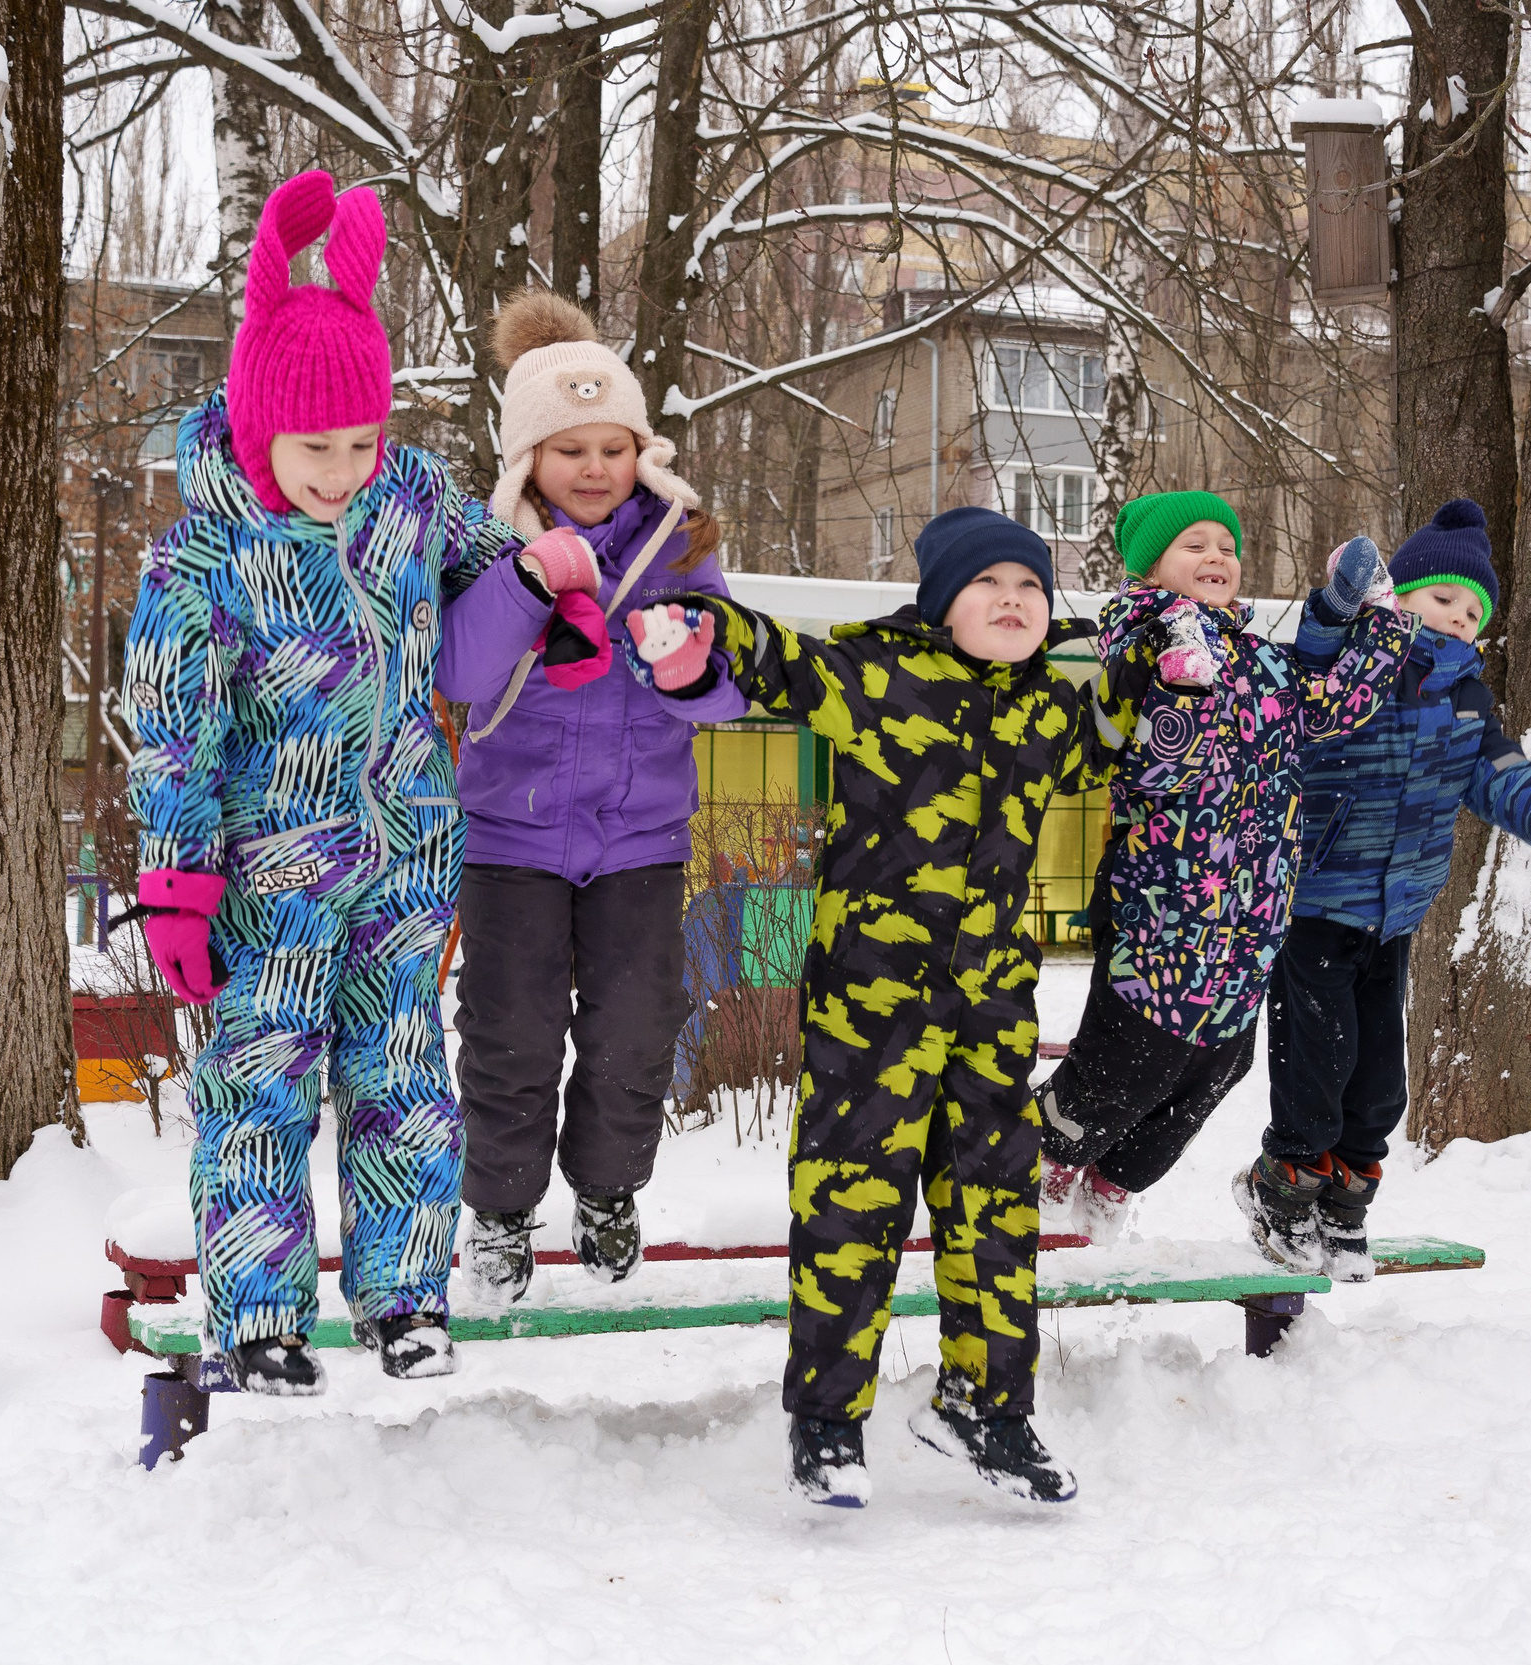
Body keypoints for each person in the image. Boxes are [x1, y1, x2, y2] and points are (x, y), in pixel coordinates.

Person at [624, 508, 1131, 1509]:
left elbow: (1109, 744)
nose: (1014, 601)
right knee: (850, 1205)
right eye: (989, 585)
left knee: (993, 1211)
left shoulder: (1045, 712)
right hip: (872, 1009)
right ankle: (826, 1422)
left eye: (1030, 587)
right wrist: (698, 628)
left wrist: (1156, 676)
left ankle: (988, 1407)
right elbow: (776, 661)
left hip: (993, 1007)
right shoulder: (877, 677)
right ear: (942, 604)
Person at [122, 171, 518, 1396]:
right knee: (263, 1087)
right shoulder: (202, 553)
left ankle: (405, 1299)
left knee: (403, 1078)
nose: (343, 470)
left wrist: (549, 595)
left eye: (363, 441)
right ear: (255, 422)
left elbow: (498, 568)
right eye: (317, 447)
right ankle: (258, 1318)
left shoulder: (407, 500)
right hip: (267, 876)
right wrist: (177, 879)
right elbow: (169, 726)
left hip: (404, 852)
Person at [1234, 500, 1531, 1279]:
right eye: (1443, 600)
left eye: (1473, 611)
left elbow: (1502, 777)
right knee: (1316, 1067)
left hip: (1393, 917)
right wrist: (1335, 603)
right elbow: (1312, 658)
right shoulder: (1358, 657)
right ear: (1399, 597)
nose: (1460, 619)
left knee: (1379, 1088)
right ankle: (1280, 1187)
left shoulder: (1466, 700)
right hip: (1320, 903)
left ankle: (1345, 1205)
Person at [440, 291, 747, 1299]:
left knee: (634, 1032)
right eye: (568, 449)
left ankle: (609, 1191)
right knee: (508, 1035)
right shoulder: (489, 546)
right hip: (510, 843)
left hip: (639, 842)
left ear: (640, 451)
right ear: (527, 458)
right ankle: (499, 1209)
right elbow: (462, 676)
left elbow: (731, 694)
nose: (592, 469)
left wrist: (693, 670)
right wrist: (531, 583)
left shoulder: (682, 546)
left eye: (610, 447)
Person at [1035, 492, 1412, 1242]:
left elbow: (1331, 703)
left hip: (1251, 918)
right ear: (1150, 568)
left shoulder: (1262, 658)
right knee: (1130, 1060)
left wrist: (1381, 616)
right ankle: (1040, 1151)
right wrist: (1180, 683)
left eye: (1226, 546)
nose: (1216, 557)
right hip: (1165, 911)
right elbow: (1147, 768)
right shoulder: (1141, 644)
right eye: (1193, 545)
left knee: (1217, 1068)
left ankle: (1115, 1181)